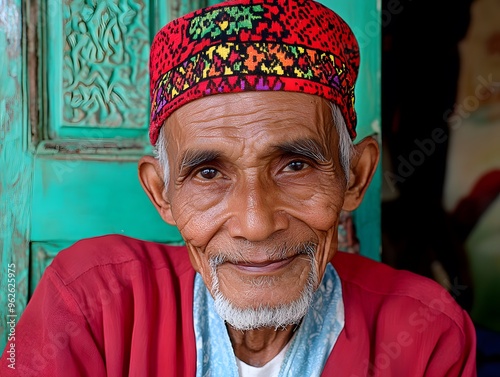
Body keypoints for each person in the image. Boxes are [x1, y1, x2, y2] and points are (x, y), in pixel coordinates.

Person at [0, 0, 477, 375]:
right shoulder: (89, 302)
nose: (255, 223)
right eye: (208, 174)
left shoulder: (427, 334)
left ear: (354, 177)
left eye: (294, 166)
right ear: (162, 193)